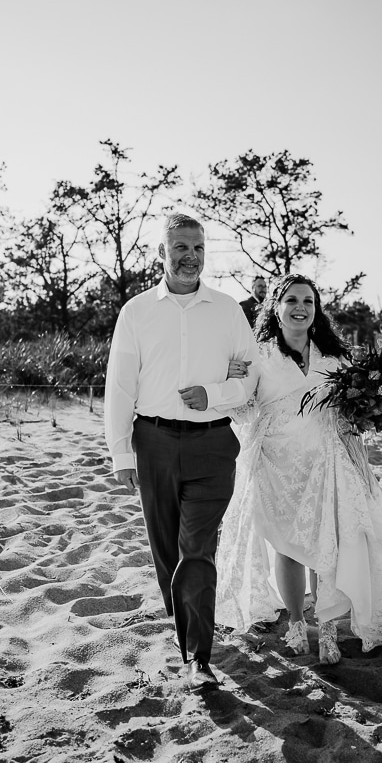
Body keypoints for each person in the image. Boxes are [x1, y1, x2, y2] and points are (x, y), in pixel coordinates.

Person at [215, 274, 382, 663]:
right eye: (292, 300)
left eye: (309, 301)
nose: (301, 307)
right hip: (276, 463)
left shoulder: (334, 357)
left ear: (316, 311)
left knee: (325, 546)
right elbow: (242, 409)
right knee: (288, 545)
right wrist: (228, 378)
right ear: (275, 307)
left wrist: (371, 413)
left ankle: (328, 627)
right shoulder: (258, 354)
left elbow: (351, 410)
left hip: (325, 460)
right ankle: (298, 624)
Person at [104, 213, 258, 689]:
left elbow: (249, 376)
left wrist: (213, 394)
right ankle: (185, 623)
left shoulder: (228, 310)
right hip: (152, 443)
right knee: (166, 549)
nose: (191, 256)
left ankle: (197, 657)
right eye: (181, 248)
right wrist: (122, 454)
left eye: (198, 247)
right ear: (162, 254)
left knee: (197, 549)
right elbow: (119, 386)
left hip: (213, 444)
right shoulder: (136, 312)